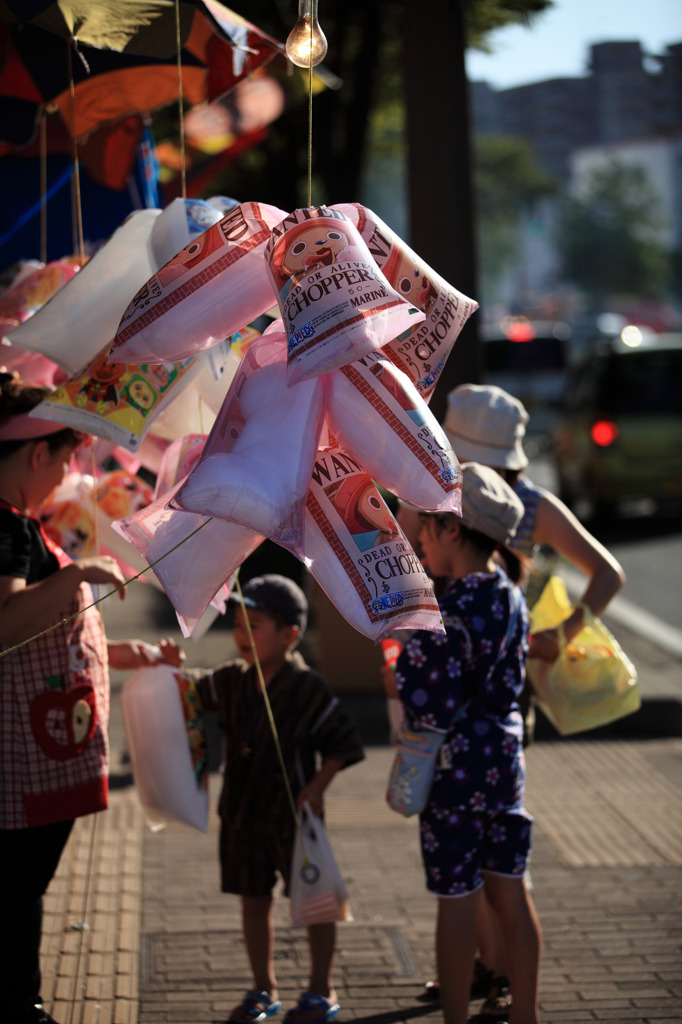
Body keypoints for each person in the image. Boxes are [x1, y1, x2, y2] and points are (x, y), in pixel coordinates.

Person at [413, 382, 627, 1019]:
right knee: (503, 856)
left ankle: (491, 973)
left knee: (467, 866)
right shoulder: (527, 507)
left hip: (460, 703)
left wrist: (558, 638)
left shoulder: (445, 501)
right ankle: (498, 977)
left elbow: (609, 572)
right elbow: (606, 574)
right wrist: (548, 636)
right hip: (508, 701)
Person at [0, 372, 184, 1024]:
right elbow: (6, 625)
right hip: (22, 750)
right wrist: (78, 572)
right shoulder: (9, 530)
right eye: (66, 457)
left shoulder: (21, 525)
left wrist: (130, 654)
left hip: (42, 735)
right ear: (36, 454)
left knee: (22, 885)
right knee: (16, 886)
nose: (68, 476)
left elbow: (42, 635)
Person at [383, 462, 542, 1024]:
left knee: (457, 901)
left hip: (457, 773)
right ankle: (526, 1014)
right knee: (512, 895)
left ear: (451, 530)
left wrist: (399, 671)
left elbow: (430, 704)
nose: (420, 537)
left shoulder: (448, 612)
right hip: (505, 764)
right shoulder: (510, 597)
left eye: (426, 526)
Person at [190, 574, 365, 1024]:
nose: (243, 634)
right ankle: (263, 987)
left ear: (290, 635)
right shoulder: (231, 680)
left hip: (293, 813)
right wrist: (168, 666)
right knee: (253, 898)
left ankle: (321, 987)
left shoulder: (309, 689)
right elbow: (192, 691)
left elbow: (341, 743)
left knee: (315, 899)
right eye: (239, 623)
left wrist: (319, 787)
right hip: (242, 811)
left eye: (257, 625)